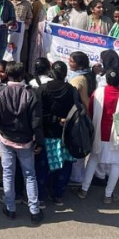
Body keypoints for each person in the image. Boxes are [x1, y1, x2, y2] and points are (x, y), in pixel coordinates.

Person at [0, 61, 44, 222]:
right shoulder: (31, 93)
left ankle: (10, 207)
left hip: (6, 139)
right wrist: (39, 141)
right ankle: (34, 211)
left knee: (8, 173)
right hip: (26, 141)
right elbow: (36, 122)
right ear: (22, 74)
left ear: (7, 74)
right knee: (30, 175)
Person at [78, 68, 119, 206]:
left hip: (99, 134)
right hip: (117, 136)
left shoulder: (98, 92)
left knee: (93, 160)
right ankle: (108, 195)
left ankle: (83, 190)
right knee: (116, 164)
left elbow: (91, 110)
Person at [38, 61, 77, 205]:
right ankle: (58, 195)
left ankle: (41, 197)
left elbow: (38, 114)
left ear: (51, 72)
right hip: (65, 136)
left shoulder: (42, 90)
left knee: (43, 167)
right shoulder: (72, 90)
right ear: (66, 74)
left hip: (47, 134)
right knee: (64, 167)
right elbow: (76, 112)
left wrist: (54, 119)